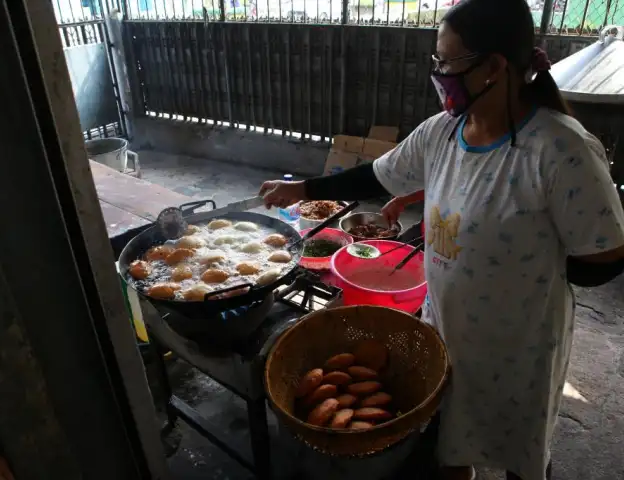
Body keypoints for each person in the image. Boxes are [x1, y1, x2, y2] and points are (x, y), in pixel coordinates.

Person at [259, 0, 624, 478]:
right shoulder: (442, 133)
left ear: (494, 67)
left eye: (447, 63)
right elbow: (378, 176)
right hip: (444, 330)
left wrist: (534, 269)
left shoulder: (561, 150)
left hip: (520, 347)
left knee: (521, 450)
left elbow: (605, 254)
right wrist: (304, 188)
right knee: (450, 444)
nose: (438, 74)